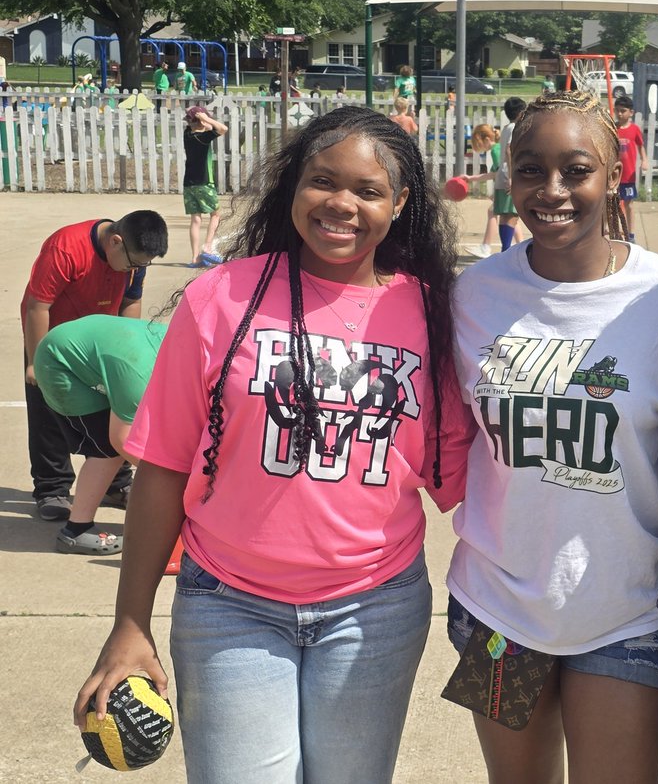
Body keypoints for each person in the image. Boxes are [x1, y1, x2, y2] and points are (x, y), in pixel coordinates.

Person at [73, 106, 473, 783]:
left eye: (368, 190)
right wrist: (130, 623)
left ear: (401, 203)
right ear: (294, 184)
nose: (341, 204)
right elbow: (163, 468)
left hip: (375, 609)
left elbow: (469, 474)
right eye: (323, 181)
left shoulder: (432, 314)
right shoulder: (219, 297)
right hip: (228, 604)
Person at [447, 89, 658, 784]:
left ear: (614, 174)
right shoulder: (472, 296)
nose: (553, 190)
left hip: (625, 612)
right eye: (531, 170)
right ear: (510, 176)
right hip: (497, 612)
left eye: (576, 170)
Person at [22, 211, 169, 521]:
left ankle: (116, 484)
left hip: (101, 347)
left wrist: (128, 351)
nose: (136, 270)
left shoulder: (132, 259)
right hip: (53, 344)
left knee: (120, 412)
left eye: (143, 265)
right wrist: (35, 362)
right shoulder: (66, 247)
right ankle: (52, 489)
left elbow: (131, 302)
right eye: (133, 263)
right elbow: (37, 306)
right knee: (47, 415)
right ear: (115, 242)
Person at [34, 315, 168, 555]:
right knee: (106, 450)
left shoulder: (175, 350)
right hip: (59, 363)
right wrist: (170, 477)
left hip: (99, 349)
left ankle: (111, 491)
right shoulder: (138, 374)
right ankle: (76, 531)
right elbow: (122, 440)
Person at [467, 97, 526, 257]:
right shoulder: (514, 128)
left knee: (507, 215)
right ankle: (506, 250)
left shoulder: (506, 128)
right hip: (508, 175)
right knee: (510, 214)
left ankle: (508, 249)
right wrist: (512, 177)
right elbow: (509, 150)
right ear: (521, 113)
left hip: (502, 176)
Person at [182, 105, 228, 268]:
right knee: (215, 214)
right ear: (201, 121)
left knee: (195, 219)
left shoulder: (187, 134)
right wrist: (206, 118)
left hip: (189, 184)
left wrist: (198, 117)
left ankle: (195, 258)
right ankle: (207, 247)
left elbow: (206, 127)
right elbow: (222, 128)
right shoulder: (204, 138)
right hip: (204, 183)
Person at [612, 94, 647, 242]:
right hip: (614, 175)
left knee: (629, 205)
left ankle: (631, 235)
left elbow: (640, 146)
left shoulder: (634, 129)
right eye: (617, 110)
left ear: (631, 112)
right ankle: (616, 232)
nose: (620, 114)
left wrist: (644, 160)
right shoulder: (613, 128)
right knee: (614, 205)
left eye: (623, 111)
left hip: (628, 175)